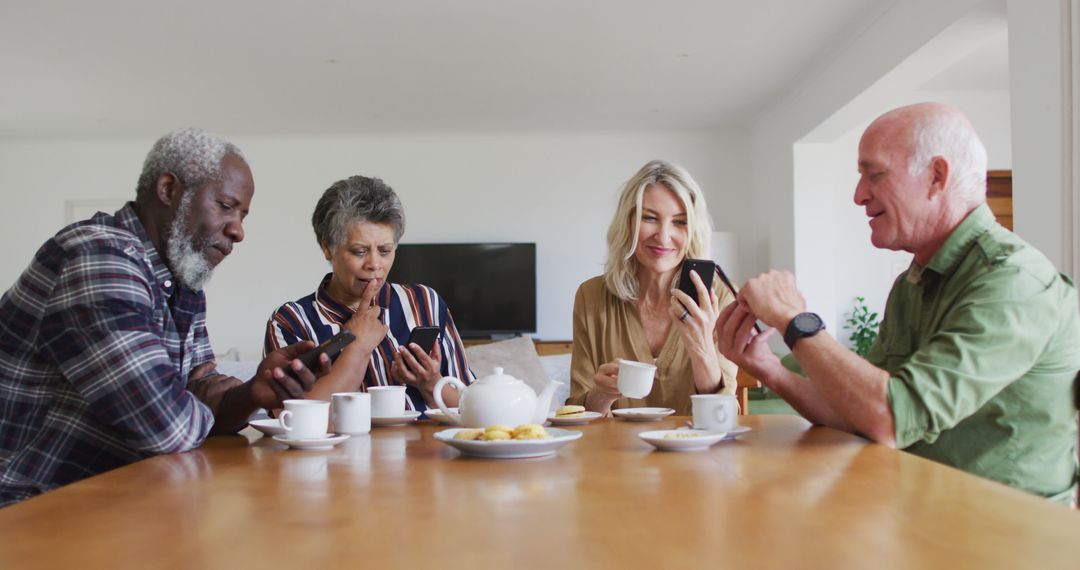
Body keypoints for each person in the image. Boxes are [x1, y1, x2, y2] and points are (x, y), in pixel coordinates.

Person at [716, 103, 1080, 505]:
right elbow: (862, 416)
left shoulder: (1014, 281)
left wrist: (796, 321)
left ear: (936, 177)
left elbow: (891, 417)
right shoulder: (910, 284)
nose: (858, 195)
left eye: (875, 175)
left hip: (1011, 538)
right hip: (920, 516)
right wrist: (768, 368)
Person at [0, 128, 323, 507]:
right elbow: (167, 427)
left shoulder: (182, 281)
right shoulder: (98, 256)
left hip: (108, 503)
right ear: (169, 189)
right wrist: (202, 402)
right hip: (26, 510)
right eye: (225, 205)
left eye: (242, 215)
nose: (238, 230)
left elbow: (199, 385)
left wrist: (251, 392)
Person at [264, 175, 473, 412]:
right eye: (359, 251)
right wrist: (358, 347)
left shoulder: (425, 302)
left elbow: (471, 406)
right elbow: (292, 418)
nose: (375, 264)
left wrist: (430, 383)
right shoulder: (290, 321)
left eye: (385, 251)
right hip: (339, 450)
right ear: (327, 248)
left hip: (424, 447)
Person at [567, 160, 738, 416]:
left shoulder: (720, 295)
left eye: (679, 222)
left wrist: (702, 346)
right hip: (616, 454)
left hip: (695, 451)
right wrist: (601, 394)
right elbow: (577, 415)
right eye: (649, 218)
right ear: (628, 223)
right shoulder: (591, 296)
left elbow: (723, 416)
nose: (663, 236)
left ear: (693, 230)